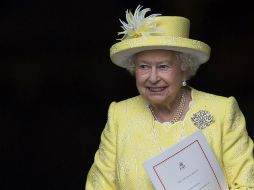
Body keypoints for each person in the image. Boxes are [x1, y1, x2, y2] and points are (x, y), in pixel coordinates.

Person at [85, 5, 254, 189]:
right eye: (143, 67)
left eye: (163, 66)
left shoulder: (222, 112)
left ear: (184, 67)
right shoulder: (119, 115)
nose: (153, 77)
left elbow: (247, 184)